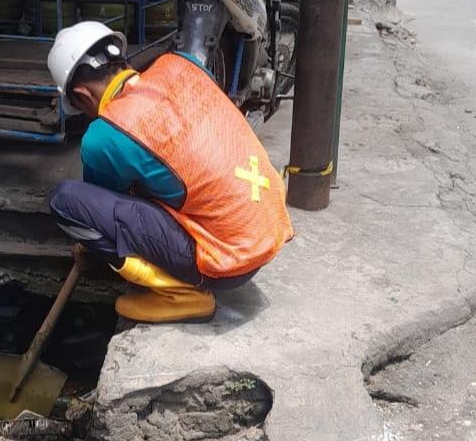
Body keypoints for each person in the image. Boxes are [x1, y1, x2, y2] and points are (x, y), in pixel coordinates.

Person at [46, 22, 294, 324]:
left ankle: (182, 295)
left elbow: (98, 205)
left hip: (227, 263)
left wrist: (87, 247)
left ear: (83, 94)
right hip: (266, 230)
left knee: (65, 201)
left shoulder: (103, 135)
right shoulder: (181, 64)